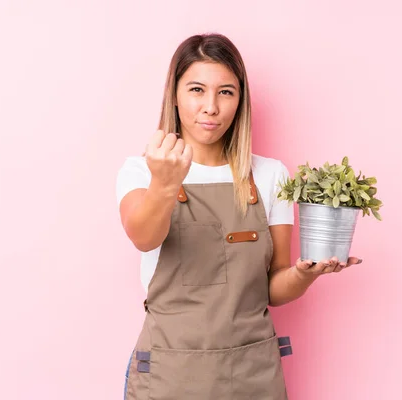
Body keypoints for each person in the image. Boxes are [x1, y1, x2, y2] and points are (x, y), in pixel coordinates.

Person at [116, 33, 362, 400]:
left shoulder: (270, 175)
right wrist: (165, 181)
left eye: (226, 92)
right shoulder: (141, 171)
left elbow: (272, 289)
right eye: (197, 90)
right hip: (171, 375)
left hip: (253, 376)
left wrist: (303, 273)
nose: (211, 107)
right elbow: (144, 237)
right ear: (175, 95)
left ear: (240, 99)